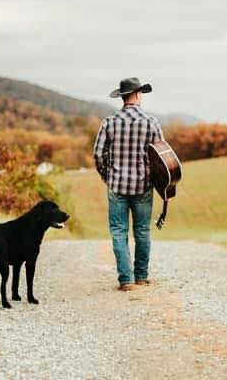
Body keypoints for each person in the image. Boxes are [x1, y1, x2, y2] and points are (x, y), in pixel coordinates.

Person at [93, 77, 164, 291]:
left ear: (123, 97)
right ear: (137, 95)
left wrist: (107, 176)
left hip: (117, 185)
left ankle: (126, 280)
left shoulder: (109, 122)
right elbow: (161, 156)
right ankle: (141, 276)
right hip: (143, 185)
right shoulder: (151, 122)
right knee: (142, 231)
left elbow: (98, 154)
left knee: (118, 232)